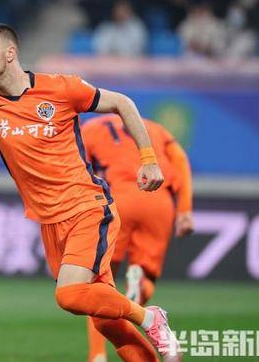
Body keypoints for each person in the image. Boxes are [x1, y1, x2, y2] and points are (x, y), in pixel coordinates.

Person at [0, 23, 183, 362]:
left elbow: (122, 103)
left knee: (70, 295)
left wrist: (148, 159)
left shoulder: (61, 88)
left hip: (87, 208)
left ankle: (151, 318)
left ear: (10, 53)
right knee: (105, 320)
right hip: (50, 222)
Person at [82, 114, 194, 362]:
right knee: (147, 274)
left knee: (97, 282)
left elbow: (78, 170)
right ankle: (139, 288)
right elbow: (180, 160)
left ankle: (98, 354)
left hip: (116, 200)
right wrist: (185, 209)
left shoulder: (90, 129)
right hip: (158, 201)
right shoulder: (154, 128)